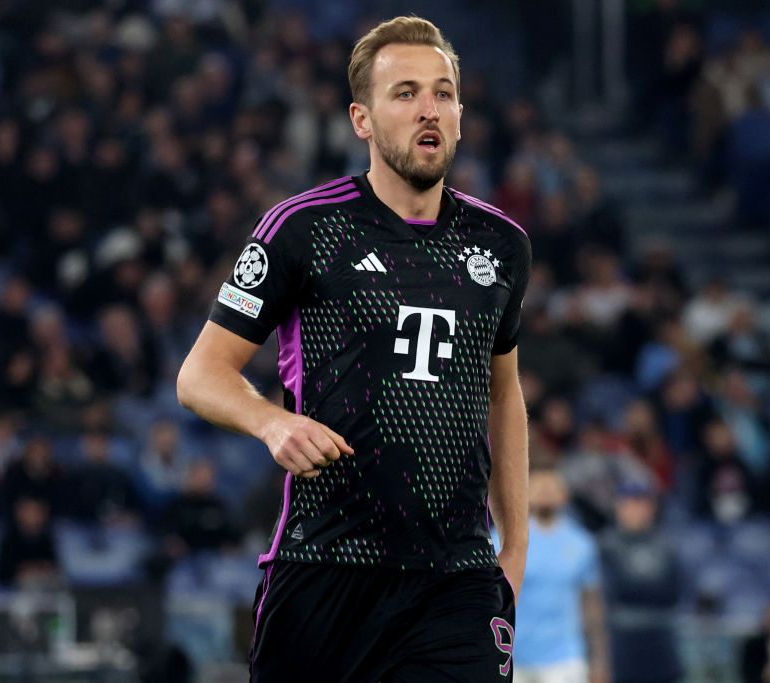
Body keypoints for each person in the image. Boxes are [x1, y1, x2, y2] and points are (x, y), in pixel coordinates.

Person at [177, 16, 530, 683]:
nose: (430, 108)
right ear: (361, 119)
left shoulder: (502, 245)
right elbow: (199, 375)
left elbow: (504, 391)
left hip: (455, 581)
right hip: (324, 571)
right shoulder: (303, 228)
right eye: (405, 92)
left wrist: (513, 548)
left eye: (444, 92)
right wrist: (270, 420)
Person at [499, 467, 609, 683]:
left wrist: (599, 660)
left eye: (552, 486)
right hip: (514, 657)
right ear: (525, 493)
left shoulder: (582, 544)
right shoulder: (503, 541)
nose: (546, 492)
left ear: (564, 495)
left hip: (565, 657)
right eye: (539, 486)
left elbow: (591, 604)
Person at [600, 482, 683, 683]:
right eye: (629, 504)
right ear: (618, 508)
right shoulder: (605, 545)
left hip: (661, 641)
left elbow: (673, 590)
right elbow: (607, 593)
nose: (636, 510)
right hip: (622, 643)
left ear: (652, 508)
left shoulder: (667, 545)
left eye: (641, 504)